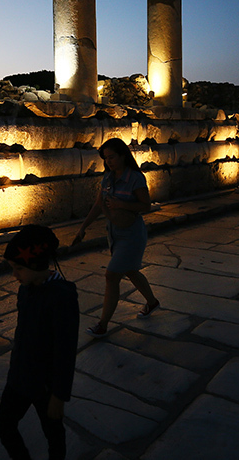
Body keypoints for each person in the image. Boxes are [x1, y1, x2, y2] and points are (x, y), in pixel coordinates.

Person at [0, 224, 79, 460]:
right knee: (4, 426)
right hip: (19, 378)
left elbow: (66, 349)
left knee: (53, 435)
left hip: (45, 387)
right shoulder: (26, 289)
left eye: (18, 268)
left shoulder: (61, 298)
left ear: (37, 264)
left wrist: (59, 395)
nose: (14, 275)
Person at [72, 137, 159, 338]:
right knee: (130, 270)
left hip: (132, 234)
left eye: (112, 157)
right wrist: (83, 228)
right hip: (114, 232)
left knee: (112, 275)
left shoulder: (135, 178)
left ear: (122, 155)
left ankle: (102, 325)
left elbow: (145, 206)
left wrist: (122, 204)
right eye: (106, 158)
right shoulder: (108, 178)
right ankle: (152, 302)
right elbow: (98, 204)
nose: (109, 161)